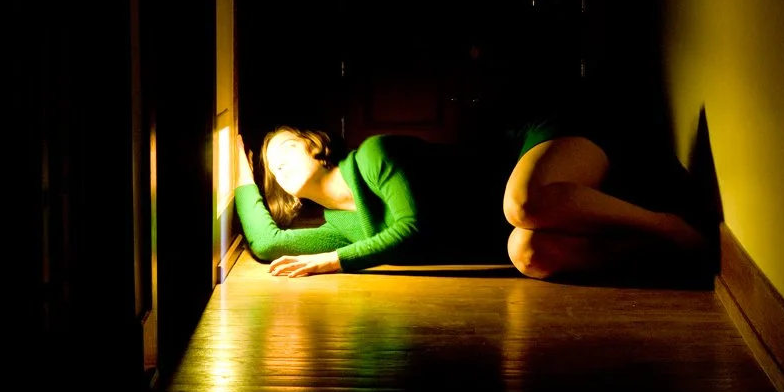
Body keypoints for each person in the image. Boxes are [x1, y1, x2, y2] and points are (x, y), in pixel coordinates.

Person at [233, 121, 710, 281]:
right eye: (272, 167)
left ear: (315, 144)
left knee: (520, 205)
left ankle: (666, 225)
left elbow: (415, 228)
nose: (279, 162)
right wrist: (239, 175)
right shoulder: (344, 227)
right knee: (527, 253)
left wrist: (333, 262)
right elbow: (269, 244)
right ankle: (663, 253)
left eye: (287, 147)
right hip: (530, 223)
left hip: (544, 148)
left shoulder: (374, 156)